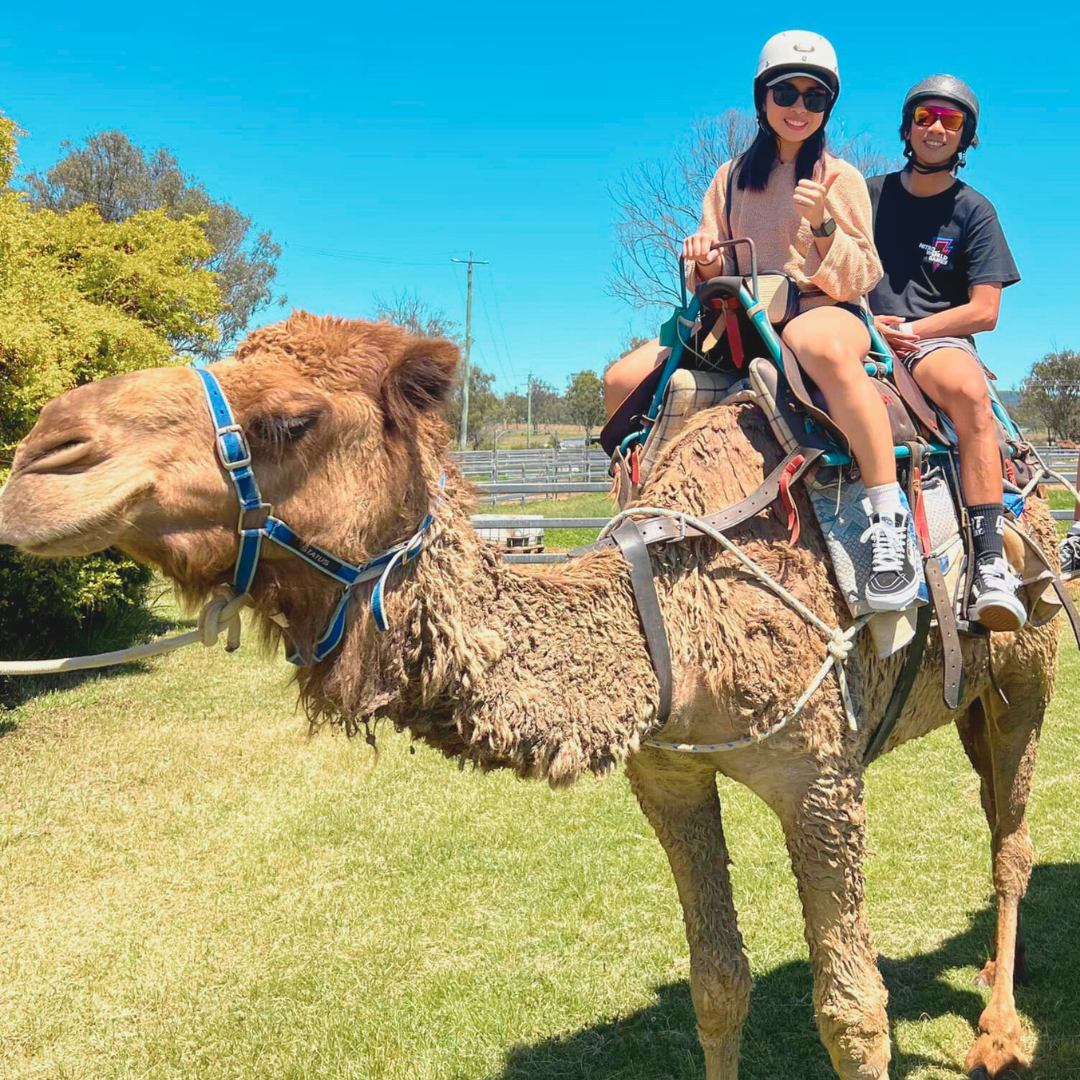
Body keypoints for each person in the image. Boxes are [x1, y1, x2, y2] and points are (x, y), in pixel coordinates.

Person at [605, 30, 920, 612]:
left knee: (819, 347)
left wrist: (824, 226)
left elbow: (861, 275)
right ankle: (634, 516)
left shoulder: (840, 178)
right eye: (786, 93)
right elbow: (713, 268)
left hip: (821, 306)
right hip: (740, 317)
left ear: (827, 107)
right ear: (763, 98)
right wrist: (703, 257)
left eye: (814, 97)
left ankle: (887, 519)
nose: (799, 107)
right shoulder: (729, 177)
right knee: (620, 378)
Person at [866, 75, 1025, 631]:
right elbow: (826, 265)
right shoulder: (866, 194)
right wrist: (867, 322)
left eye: (950, 120)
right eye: (925, 116)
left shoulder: (975, 211)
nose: (935, 128)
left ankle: (989, 563)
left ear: (965, 136)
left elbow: (985, 310)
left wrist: (911, 330)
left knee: (967, 391)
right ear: (908, 127)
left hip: (932, 339)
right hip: (858, 326)